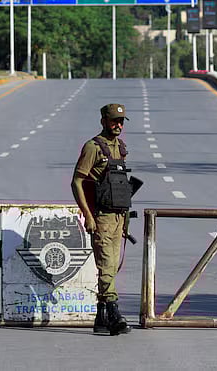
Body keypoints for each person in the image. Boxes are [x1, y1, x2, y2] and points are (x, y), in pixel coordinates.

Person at [71, 103, 132, 336]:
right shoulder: (92, 147)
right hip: (102, 217)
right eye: (114, 121)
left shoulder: (120, 147)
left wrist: (125, 219)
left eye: (121, 121)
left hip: (118, 216)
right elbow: (77, 182)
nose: (118, 125)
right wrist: (87, 214)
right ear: (103, 121)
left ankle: (101, 316)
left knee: (111, 267)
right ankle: (114, 314)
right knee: (106, 266)